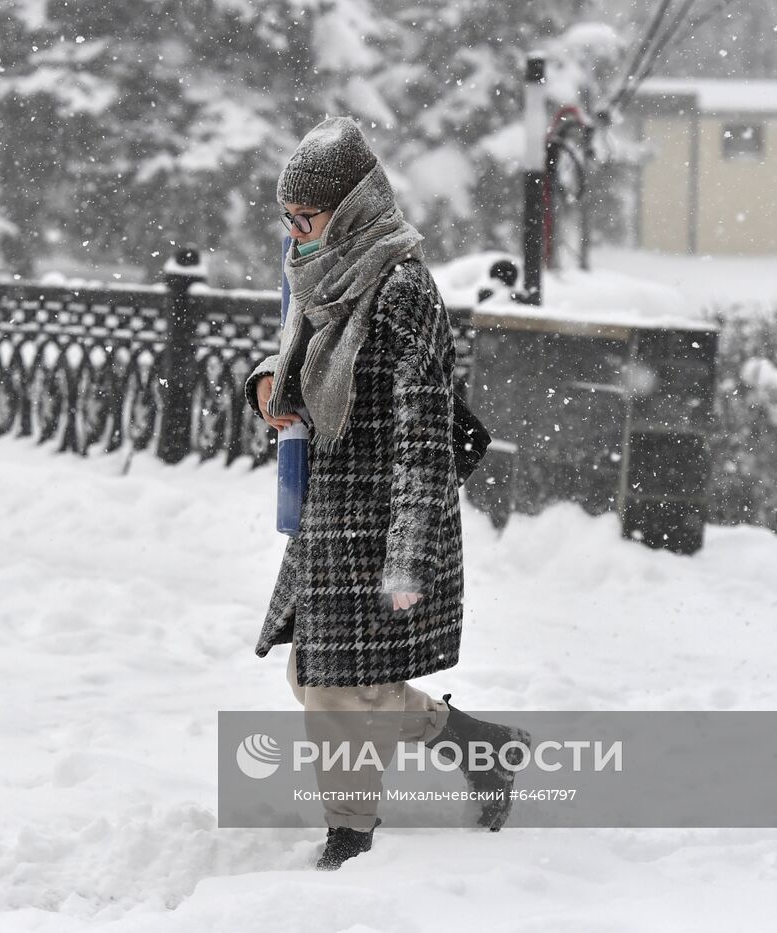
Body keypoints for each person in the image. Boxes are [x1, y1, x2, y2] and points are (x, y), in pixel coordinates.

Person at [244, 116, 530, 870]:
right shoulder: (321, 272)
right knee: (322, 678)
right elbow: (299, 362)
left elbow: (424, 434)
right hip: (327, 511)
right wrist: (269, 385)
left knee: (341, 691)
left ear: (353, 205)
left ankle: (350, 837)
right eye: (290, 218)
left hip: (378, 519)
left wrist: (408, 556)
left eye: (308, 216)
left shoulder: (401, 288)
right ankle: (477, 745)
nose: (297, 230)